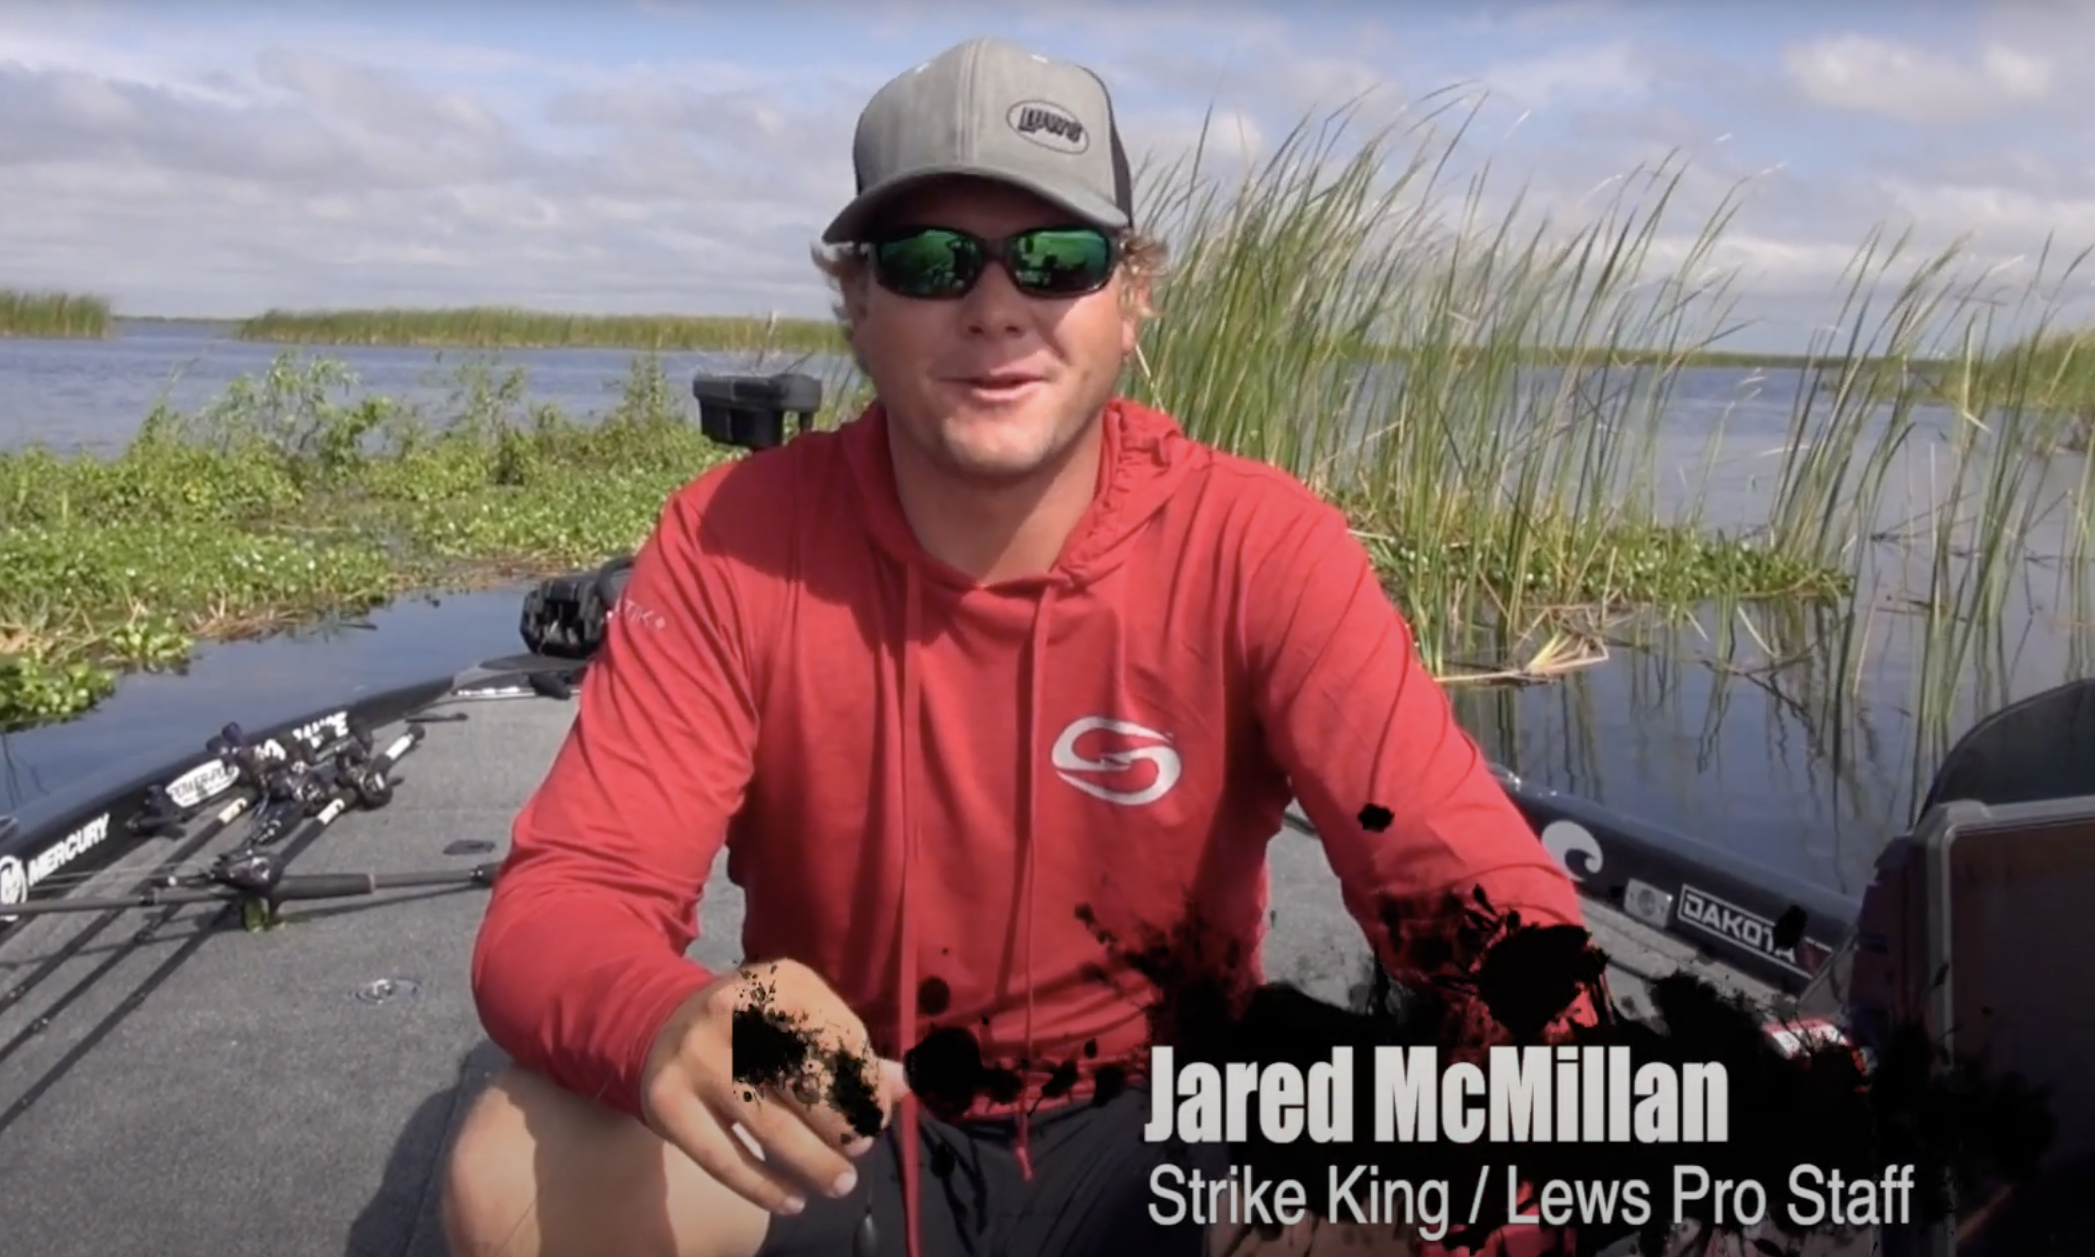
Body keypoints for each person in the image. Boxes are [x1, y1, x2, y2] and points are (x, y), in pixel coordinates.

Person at [438, 33, 1590, 1257]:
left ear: (1131, 297)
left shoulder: (1256, 544)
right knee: (513, 1173)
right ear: (858, 300)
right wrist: (670, 1014)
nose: (995, 307)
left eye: (1056, 257)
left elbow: (1472, 892)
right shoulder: (735, 542)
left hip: (1175, 1109)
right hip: (850, 1095)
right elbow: (567, 902)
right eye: (931, 261)